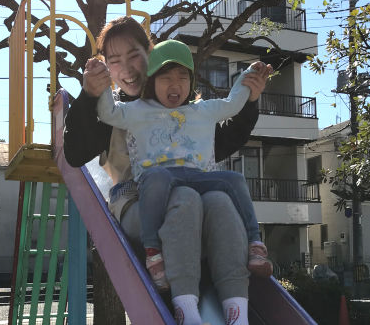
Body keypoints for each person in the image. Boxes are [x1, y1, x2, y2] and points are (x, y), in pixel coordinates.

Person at [63, 16, 271, 325]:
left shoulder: (181, 107)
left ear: (151, 55)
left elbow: (220, 142)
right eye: (115, 61)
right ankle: (186, 309)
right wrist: (90, 95)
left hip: (194, 201)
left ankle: (237, 309)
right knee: (186, 195)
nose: (128, 68)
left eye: (135, 55)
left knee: (220, 201)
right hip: (139, 202)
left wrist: (250, 100)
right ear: (107, 68)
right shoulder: (116, 112)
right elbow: (76, 153)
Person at [95, 39, 272, 291]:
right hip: (161, 180)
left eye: (183, 77)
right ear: (152, 81)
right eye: (166, 77)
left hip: (196, 177)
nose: (175, 84)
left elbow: (233, 103)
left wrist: (248, 77)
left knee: (234, 180)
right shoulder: (138, 110)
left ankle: (255, 244)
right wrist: (101, 83)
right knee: (157, 177)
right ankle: (153, 251)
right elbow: (108, 113)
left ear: (191, 83)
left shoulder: (202, 111)